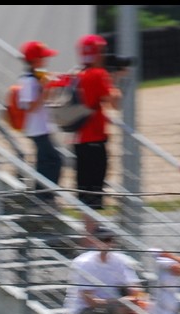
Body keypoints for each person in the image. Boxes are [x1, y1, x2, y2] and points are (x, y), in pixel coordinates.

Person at [64, 224, 150, 314]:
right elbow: (90, 301)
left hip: (109, 309)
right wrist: (120, 302)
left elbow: (136, 290)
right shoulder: (84, 263)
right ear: (94, 241)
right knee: (120, 308)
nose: (107, 243)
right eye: (103, 240)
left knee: (149, 307)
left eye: (109, 239)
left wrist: (137, 300)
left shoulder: (119, 260)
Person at [71, 34, 121, 211]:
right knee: (95, 189)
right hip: (95, 139)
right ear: (96, 53)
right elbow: (115, 102)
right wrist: (117, 80)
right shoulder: (98, 74)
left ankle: (88, 230)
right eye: (102, 50)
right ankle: (92, 231)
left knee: (83, 187)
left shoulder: (77, 74)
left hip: (78, 138)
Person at [16, 41, 63, 206]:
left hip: (42, 127)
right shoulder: (28, 81)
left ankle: (43, 196)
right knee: (54, 160)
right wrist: (44, 89)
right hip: (37, 129)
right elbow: (30, 107)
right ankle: (44, 197)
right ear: (36, 60)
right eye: (44, 58)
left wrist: (51, 86)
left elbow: (44, 101)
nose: (46, 61)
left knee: (47, 160)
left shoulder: (37, 77)